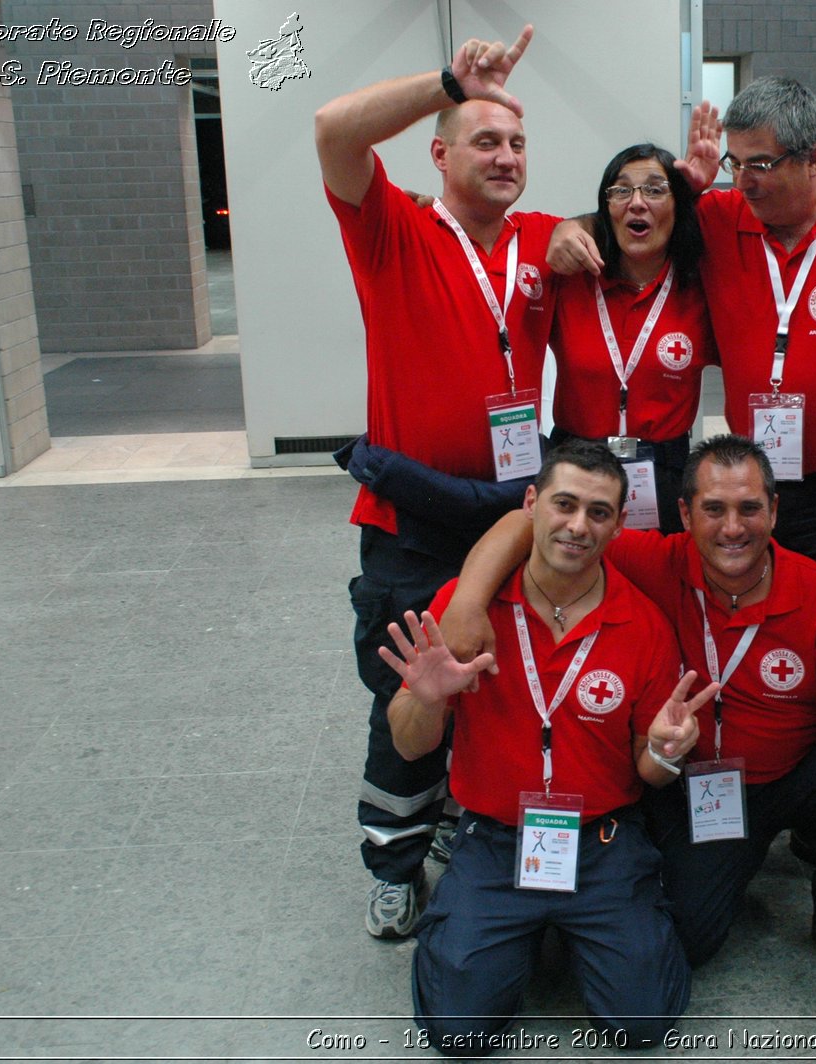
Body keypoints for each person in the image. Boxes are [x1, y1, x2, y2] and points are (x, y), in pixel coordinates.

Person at [442, 435, 816, 1006]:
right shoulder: (650, 559)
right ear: (684, 515)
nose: (732, 528)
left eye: (749, 508)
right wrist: (468, 601)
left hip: (792, 773)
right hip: (696, 782)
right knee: (687, 941)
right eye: (714, 509)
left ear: (774, 510)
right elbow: (528, 524)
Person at [315, 25, 562, 938]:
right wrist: (450, 80)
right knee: (409, 689)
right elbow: (335, 130)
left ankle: (462, 816)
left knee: (492, 678)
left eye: (517, 142)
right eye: (485, 140)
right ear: (440, 151)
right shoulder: (394, 230)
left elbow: (640, 238)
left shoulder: (543, 239)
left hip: (508, 513)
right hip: (411, 518)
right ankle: (392, 856)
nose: (504, 157)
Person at [551, 77, 816, 640]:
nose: (743, 181)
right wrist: (568, 227)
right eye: (735, 163)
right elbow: (633, 220)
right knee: (746, 618)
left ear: (815, 159)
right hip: (755, 478)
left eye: (760, 164)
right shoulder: (721, 218)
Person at [379, 441, 712, 1052]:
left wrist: (668, 751)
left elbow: (650, 770)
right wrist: (425, 698)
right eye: (564, 504)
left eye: (599, 512)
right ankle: (501, 928)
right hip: (496, 838)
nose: (578, 526)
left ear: (618, 522)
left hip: (603, 841)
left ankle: (573, 926)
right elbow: (407, 748)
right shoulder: (466, 609)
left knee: (642, 1025)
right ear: (531, 503)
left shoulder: (642, 624)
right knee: (456, 1032)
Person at [546, 143, 715, 535]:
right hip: (575, 466)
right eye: (621, 190)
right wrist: (567, 226)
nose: (637, 202)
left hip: (663, 470)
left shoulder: (702, 287)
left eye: (655, 189)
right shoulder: (571, 280)